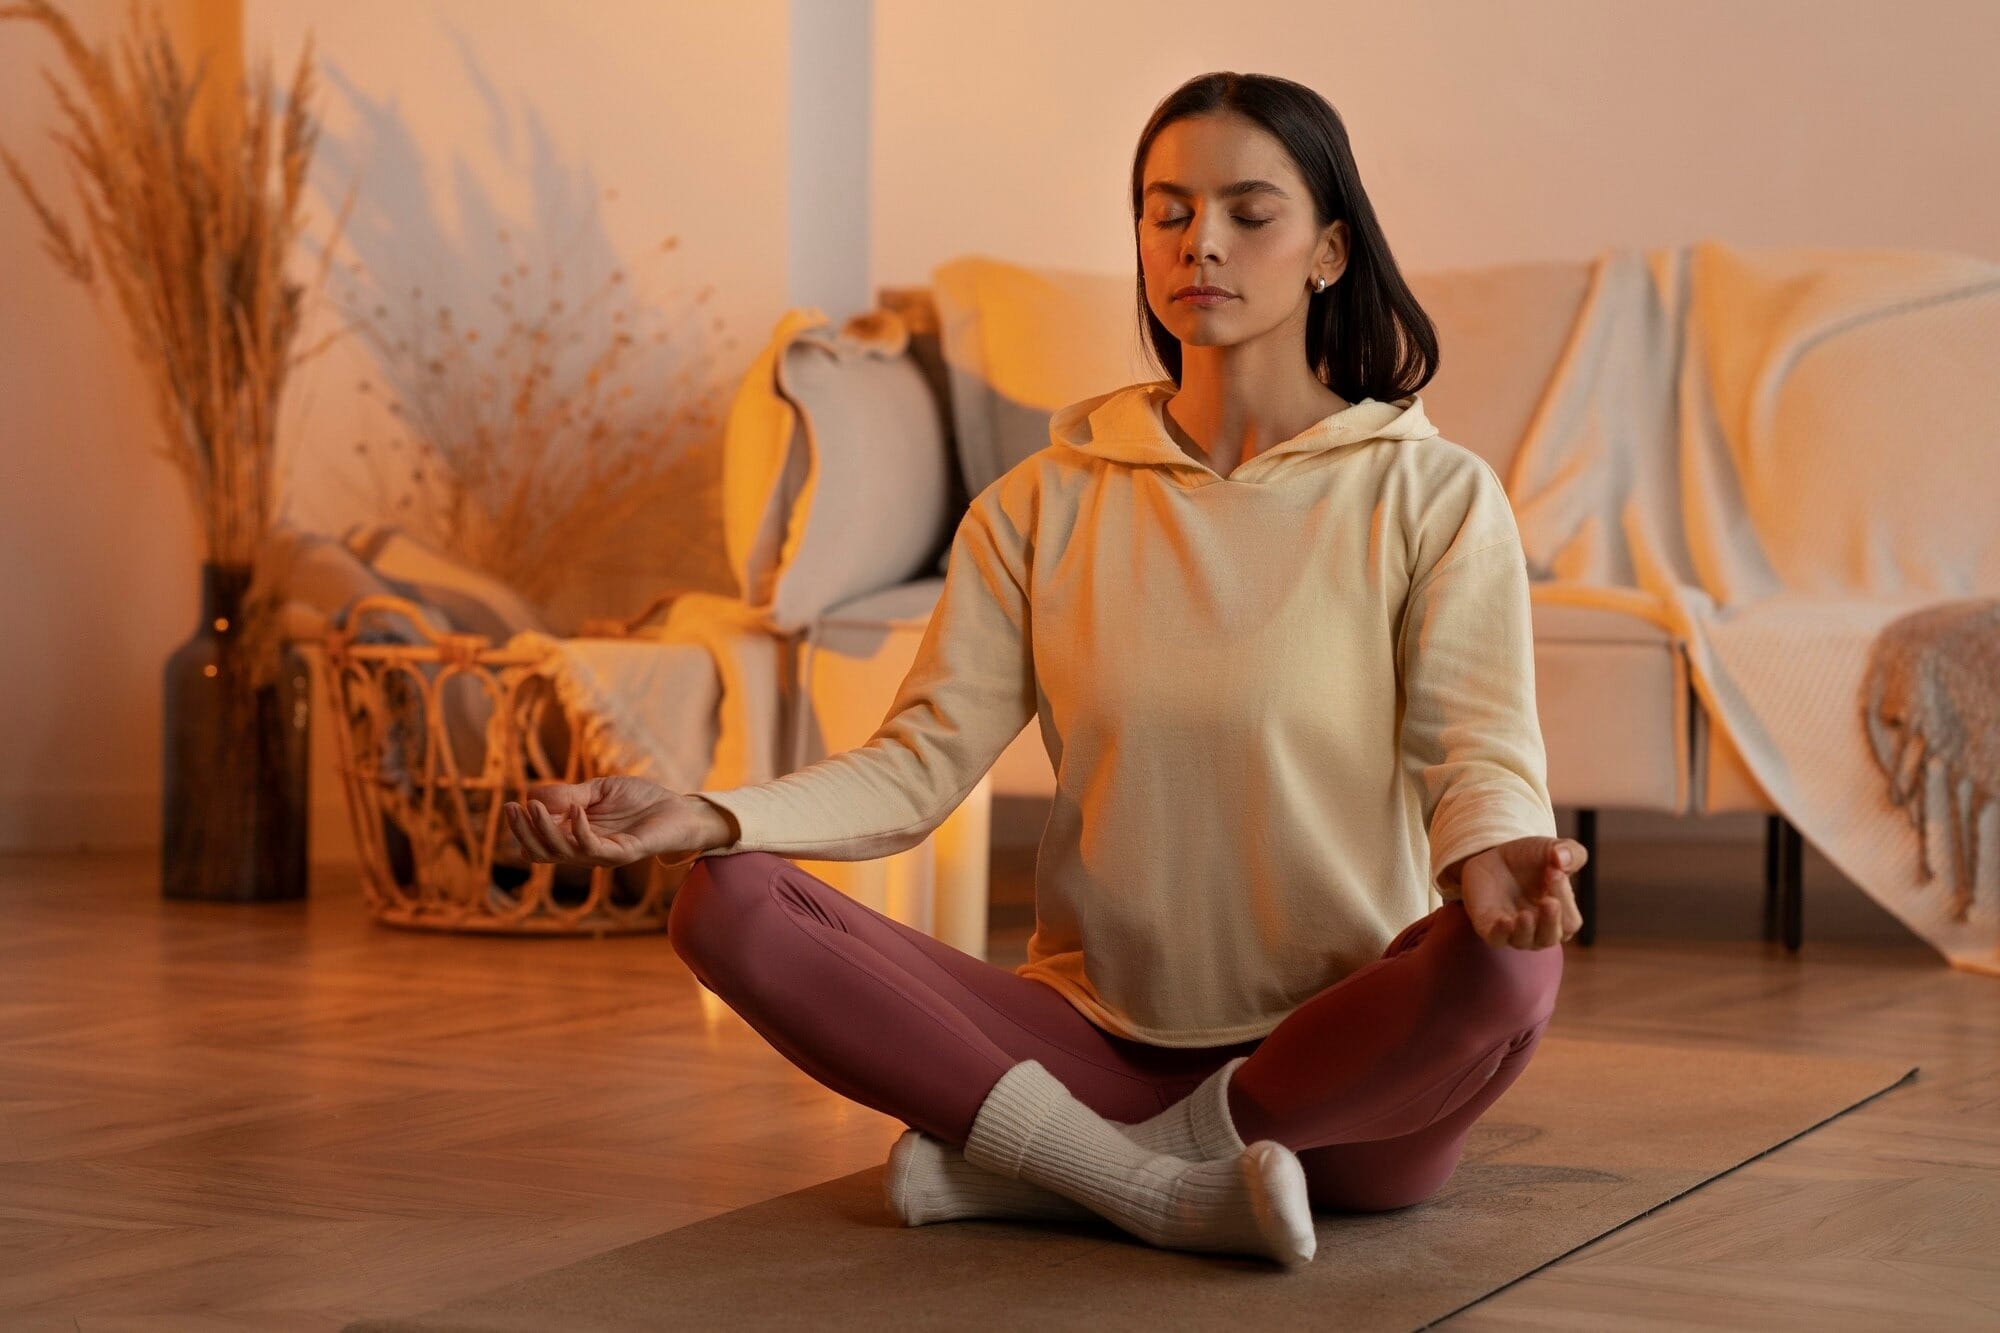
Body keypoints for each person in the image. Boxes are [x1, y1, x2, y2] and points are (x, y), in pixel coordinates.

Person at [503, 70, 1586, 1270]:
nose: (1199, 244)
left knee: (1508, 968)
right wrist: (703, 813)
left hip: (1340, 1083)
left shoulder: (1430, 495)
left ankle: (1056, 1167)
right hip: (1091, 1046)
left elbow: (1474, 748)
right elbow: (915, 768)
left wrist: (1494, 866)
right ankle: (1141, 1182)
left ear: (1327, 248)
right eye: (1166, 211)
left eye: (1247, 211)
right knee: (727, 896)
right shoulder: (1040, 502)